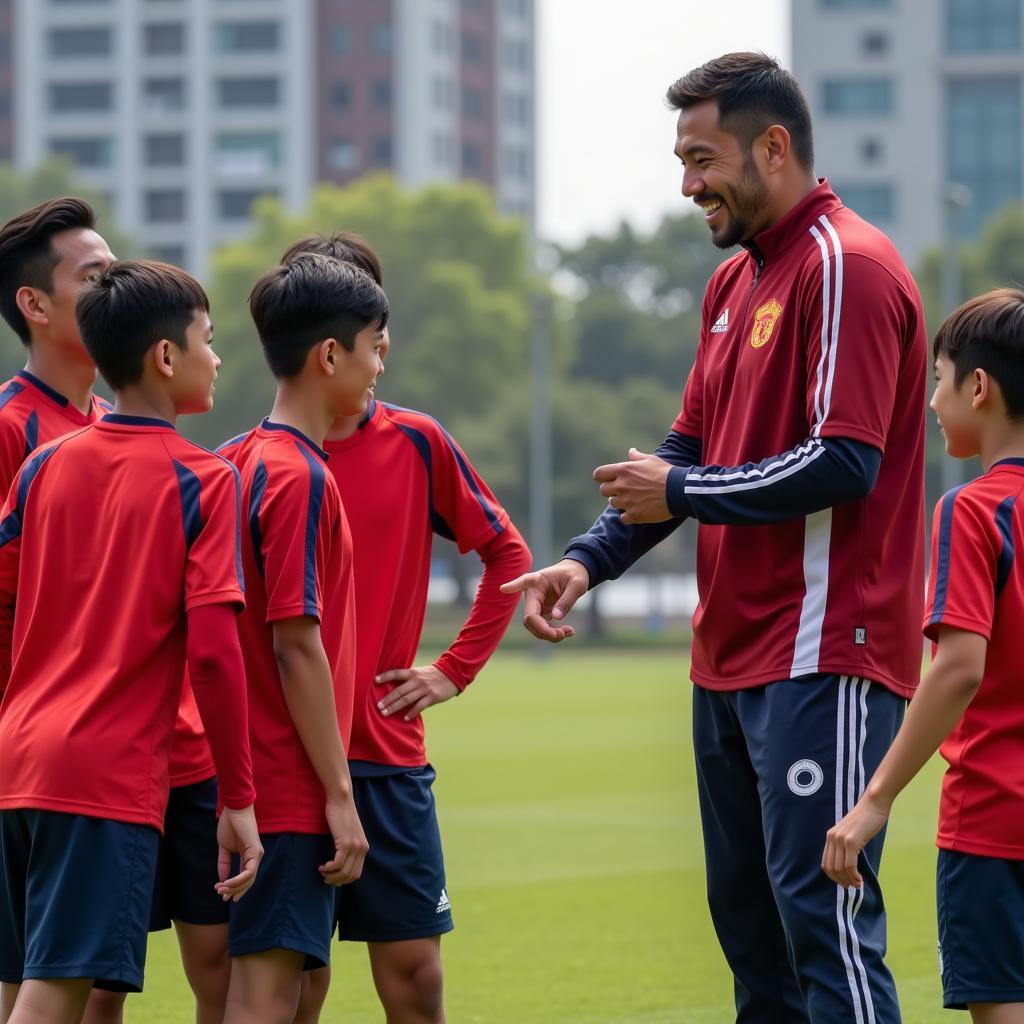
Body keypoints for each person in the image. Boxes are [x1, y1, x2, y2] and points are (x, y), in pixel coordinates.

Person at [502, 52, 926, 1023]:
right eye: (681, 158)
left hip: (826, 649)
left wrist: (681, 487)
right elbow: (686, 449)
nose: (687, 182)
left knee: (825, 927)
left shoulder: (846, 265)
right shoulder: (734, 282)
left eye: (701, 157)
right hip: (729, 658)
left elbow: (841, 462)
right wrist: (587, 558)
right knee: (753, 939)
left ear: (772, 148)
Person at [0, 259, 262, 1024]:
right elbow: (215, 654)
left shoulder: (45, 465)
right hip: (104, 779)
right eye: (209, 341)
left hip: (18, 761)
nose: (218, 359)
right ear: (167, 357)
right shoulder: (206, 480)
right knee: (53, 1001)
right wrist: (239, 799)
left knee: (22, 986)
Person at [279, 234, 531, 1024]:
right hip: (287, 764)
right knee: (294, 986)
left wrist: (453, 668)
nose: (376, 353)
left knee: (417, 977)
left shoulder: (417, 441)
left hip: (388, 759)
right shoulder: (254, 463)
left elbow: (507, 553)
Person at [824, 289, 1024, 1023]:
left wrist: (873, 800)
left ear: (979, 386)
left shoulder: (973, 510)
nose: (933, 403)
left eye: (939, 381)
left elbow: (960, 667)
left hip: (996, 823)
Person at [217, 252, 383, 1024]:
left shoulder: (236, 460)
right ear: (329, 355)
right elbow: (295, 644)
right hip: (285, 788)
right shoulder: (298, 476)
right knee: (266, 1000)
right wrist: (340, 796)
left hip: (248, 776)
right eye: (375, 345)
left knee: (277, 991)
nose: (381, 364)